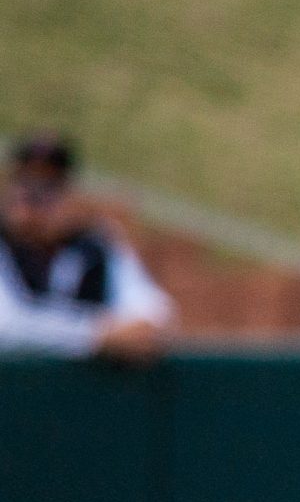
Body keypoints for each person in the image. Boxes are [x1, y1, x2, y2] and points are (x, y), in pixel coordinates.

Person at [0, 133, 173, 362]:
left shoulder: (96, 243)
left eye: (49, 187)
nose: (35, 199)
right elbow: (8, 325)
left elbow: (152, 308)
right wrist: (96, 334)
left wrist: (143, 327)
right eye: (27, 185)